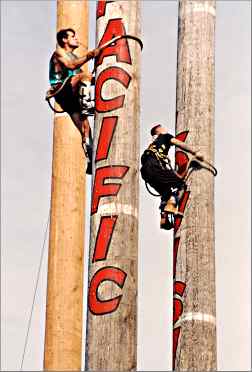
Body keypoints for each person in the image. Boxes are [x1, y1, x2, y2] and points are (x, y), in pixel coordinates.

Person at [48, 28, 101, 173]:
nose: (76, 39)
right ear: (65, 40)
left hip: (70, 99)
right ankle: (86, 105)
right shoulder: (59, 52)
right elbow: (71, 66)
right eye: (73, 36)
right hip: (62, 90)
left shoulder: (73, 56)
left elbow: (84, 77)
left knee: (85, 129)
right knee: (84, 76)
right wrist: (90, 55)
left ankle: (90, 159)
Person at [140, 124, 204, 229]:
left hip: (146, 172)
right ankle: (171, 205)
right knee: (181, 185)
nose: (165, 128)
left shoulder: (153, 146)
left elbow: (169, 172)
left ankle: (164, 218)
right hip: (154, 166)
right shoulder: (165, 136)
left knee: (166, 193)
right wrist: (195, 152)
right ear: (159, 131)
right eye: (162, 128)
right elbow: (179, 143)